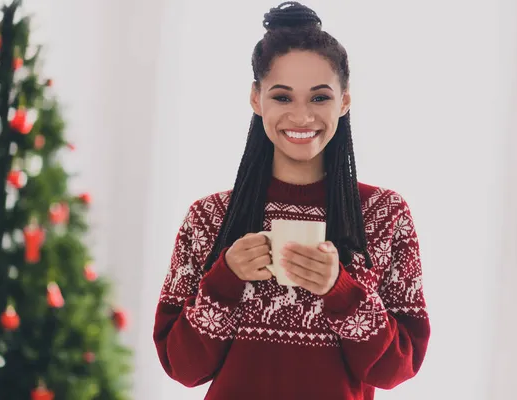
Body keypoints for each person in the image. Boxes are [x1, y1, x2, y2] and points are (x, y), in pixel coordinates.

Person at [153, 2, 430, 399]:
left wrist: (341, 290)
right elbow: (181, 367)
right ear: (256, 98)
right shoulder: (209, 218)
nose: (301, 117)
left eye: (319, 98)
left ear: (345, 101)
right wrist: (224, 279)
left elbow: (398, 369)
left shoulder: (384, 215)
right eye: (282, 97)